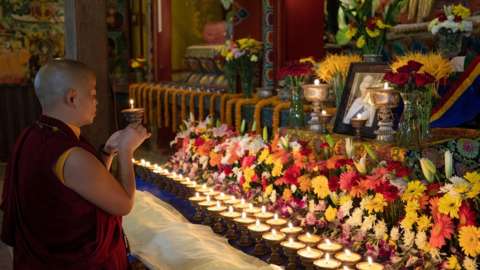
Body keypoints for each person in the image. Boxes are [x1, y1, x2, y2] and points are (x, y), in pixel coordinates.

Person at [1, 59, 150, 269]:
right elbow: (124, 204)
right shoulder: (70, 153)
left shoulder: (31, 135)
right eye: (93, 95)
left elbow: (83, 185)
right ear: (72, 98)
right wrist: (126, 151)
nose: (96, 102)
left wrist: (108, 151)